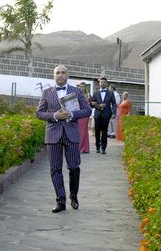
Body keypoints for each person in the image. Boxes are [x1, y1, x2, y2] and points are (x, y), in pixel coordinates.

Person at [35, 65, 91, 213]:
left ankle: (74, 195)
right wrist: (54, 116)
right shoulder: (47, 92)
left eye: (63, 73)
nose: (60, 75)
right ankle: (61, 201)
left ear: (68, 75)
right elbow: (39, 113)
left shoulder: (77, 91)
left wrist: (72, 115)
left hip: (71, 134)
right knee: (55, 169)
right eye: (57, 73)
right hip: (53, 135)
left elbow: (87, 110)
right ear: (54, 75)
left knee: (74, 167)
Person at [90, 77, 117, 154]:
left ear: (106, 83)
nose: (103, 83)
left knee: (105, 131)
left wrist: (114, 113)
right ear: (99, 83)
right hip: (97, 115)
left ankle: (103, 148)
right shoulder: (95, 94)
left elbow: (114, 104)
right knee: (97, 131)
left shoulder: (111, 93)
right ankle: (97, 147)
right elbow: (92, 104)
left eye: (104, 82)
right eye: (101, 82)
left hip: (107, 114)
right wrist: (98, 106)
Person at [77, 82, 90, 153]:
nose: (82, 88)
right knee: (79, 130)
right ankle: (84, 148)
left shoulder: (88, 95)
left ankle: (82, 147)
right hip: (79, 114)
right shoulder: (77, 95)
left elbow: (89, 105)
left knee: (84, 130)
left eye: (83, 86)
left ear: (85, 87)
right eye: (81, 86)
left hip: (85, 114)